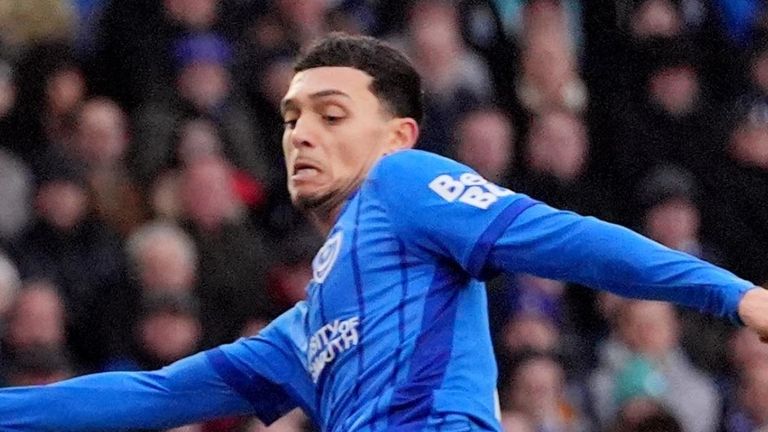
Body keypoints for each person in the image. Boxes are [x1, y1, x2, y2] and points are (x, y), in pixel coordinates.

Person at [2, 32, 768, 432]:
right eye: (293, 118)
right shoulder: (305, 329)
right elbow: (153, 394)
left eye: (332, 115)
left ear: (397, 136)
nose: (302, 134)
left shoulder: (403, 185)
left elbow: (565, 238)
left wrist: (730, 294)